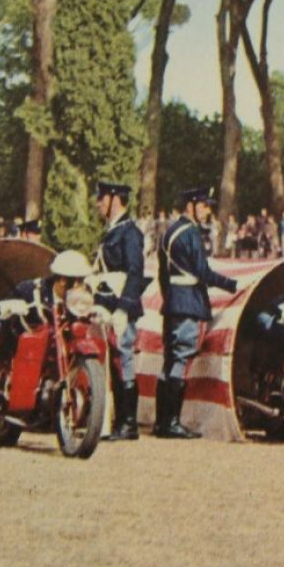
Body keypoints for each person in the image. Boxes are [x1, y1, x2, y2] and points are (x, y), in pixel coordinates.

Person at [156, 186, 239, 439]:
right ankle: (171, 423)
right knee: (180, 361)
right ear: (191, 205)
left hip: (173, 302)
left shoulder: (169, 232)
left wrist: (171, 297)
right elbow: (203, 272)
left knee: (170, 361)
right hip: (189, 303)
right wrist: (231, 285)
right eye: (204, 206)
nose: (207, 211)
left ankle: (163, 422)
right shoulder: (190, 234)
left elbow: (163, 275)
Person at [93, 181, 146, 441]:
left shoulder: (130, 232)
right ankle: (116, 419)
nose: (98, 203)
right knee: (113, 359)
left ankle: (128, 423)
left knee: (124, 357)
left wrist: (124, 308)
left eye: (102, 198)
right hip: (107, 302)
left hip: (121, 304)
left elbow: (135, 272)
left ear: (115, 199)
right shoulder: (112, 231)